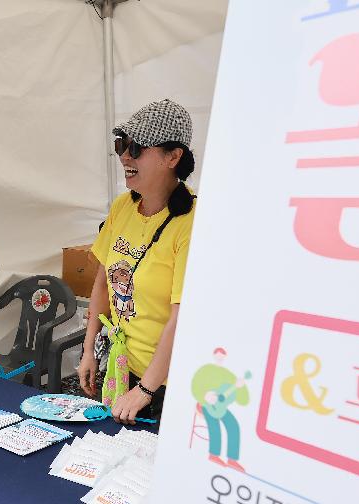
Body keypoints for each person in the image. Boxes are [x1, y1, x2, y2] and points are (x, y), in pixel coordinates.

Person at [78, 99, 197, 425]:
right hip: (119, 367)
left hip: (165, 385)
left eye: (138, 147)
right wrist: (88, 350)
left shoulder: (192, 223)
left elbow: (181, 316)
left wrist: (146, 389)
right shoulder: (122, 207)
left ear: (173, 157)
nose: (125, 156)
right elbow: (102, 282)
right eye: (121, 145)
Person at [191, 347, 250, 472]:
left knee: (233, 426)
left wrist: (240, 387)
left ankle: (232, 459)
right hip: (205, 405)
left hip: (221, 408)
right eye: (218, 354)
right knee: (214, 426)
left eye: (222, 354)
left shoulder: (229, 374)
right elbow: (195, 385)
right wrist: (204, 396)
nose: (220, 357)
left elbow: (243, 400)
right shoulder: (205, 369)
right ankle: (214, 455)